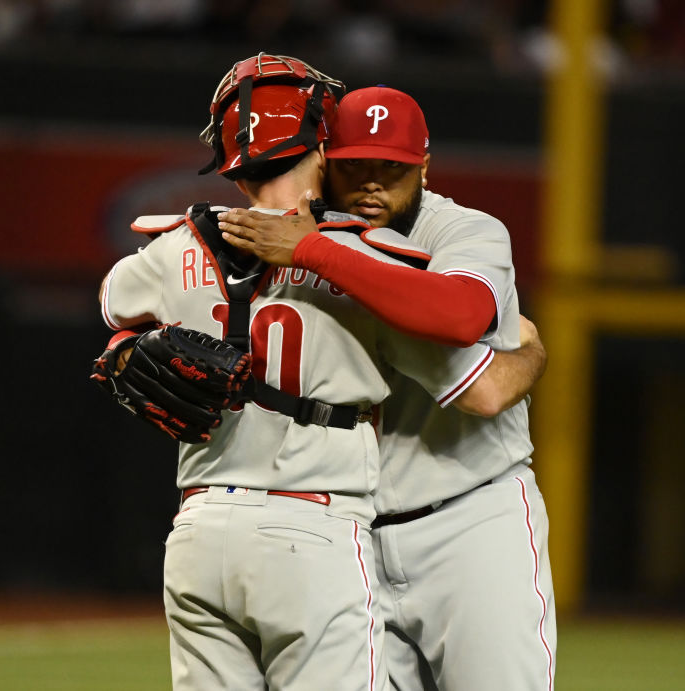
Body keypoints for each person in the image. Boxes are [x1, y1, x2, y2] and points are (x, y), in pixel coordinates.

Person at [97, 54, 518, 691]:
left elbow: (111, 305)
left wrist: (134, 342)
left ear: (232, 163)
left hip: (197, 534)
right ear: (323, 146)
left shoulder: (175, 245)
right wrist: (531, 352)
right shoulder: (366, 261)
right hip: (310, 534)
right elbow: (480, 385)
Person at [219, 85, 555, 690]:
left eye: (392, 170)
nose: (373, 185)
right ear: (325, 162)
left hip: (471, 521)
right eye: (356, 167)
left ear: (424, 167)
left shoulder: (467, 233)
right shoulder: (282, 243)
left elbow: (462, 323)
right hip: (344, 535)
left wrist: (316, 252)